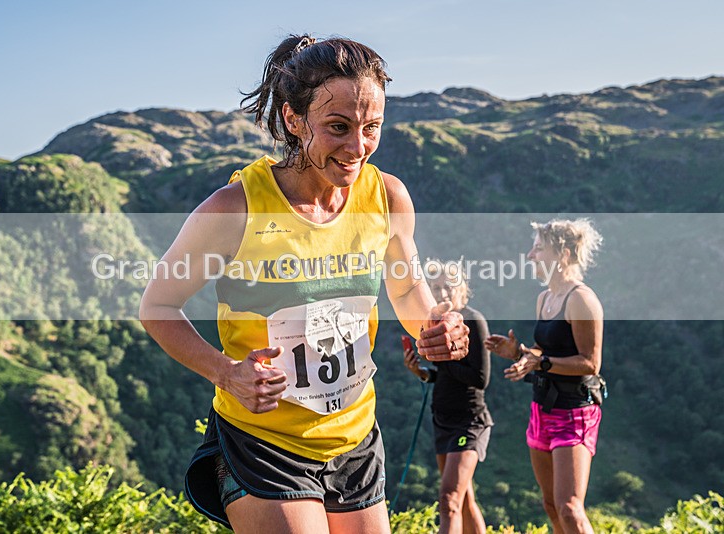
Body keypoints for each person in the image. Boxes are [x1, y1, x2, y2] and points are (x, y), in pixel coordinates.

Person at [139, 34, 470, 534]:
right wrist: (227, 373)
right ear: (294, 119)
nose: (357, 147)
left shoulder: (388, 197)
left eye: (372, 128)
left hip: (355, 437)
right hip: (263, 440)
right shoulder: (235, 208)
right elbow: (158, 307)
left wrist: (435, 327)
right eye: (338, 127)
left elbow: (405, 289)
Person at [484, 218, 604, 534]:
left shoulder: (581, 299)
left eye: (539, 249)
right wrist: (519, 352)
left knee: (569, 508)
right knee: (550, 504)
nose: (530, 255)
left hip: (575, 412)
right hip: (543, 408)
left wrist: (540, 363)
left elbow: (590, 363)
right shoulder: (545, 298)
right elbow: (544, 352)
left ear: (563, 254)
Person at [403, 259, 491, 534]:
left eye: (447, 287)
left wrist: (443, 358)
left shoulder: (472, 321)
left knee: (449, 499)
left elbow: (480, 378)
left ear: (461, 288)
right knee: (463, 500)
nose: (441, 293)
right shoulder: (437, 323)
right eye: (435, 288)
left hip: (469, 421)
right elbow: (445, 375)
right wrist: (422, 372)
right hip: (442, 419)